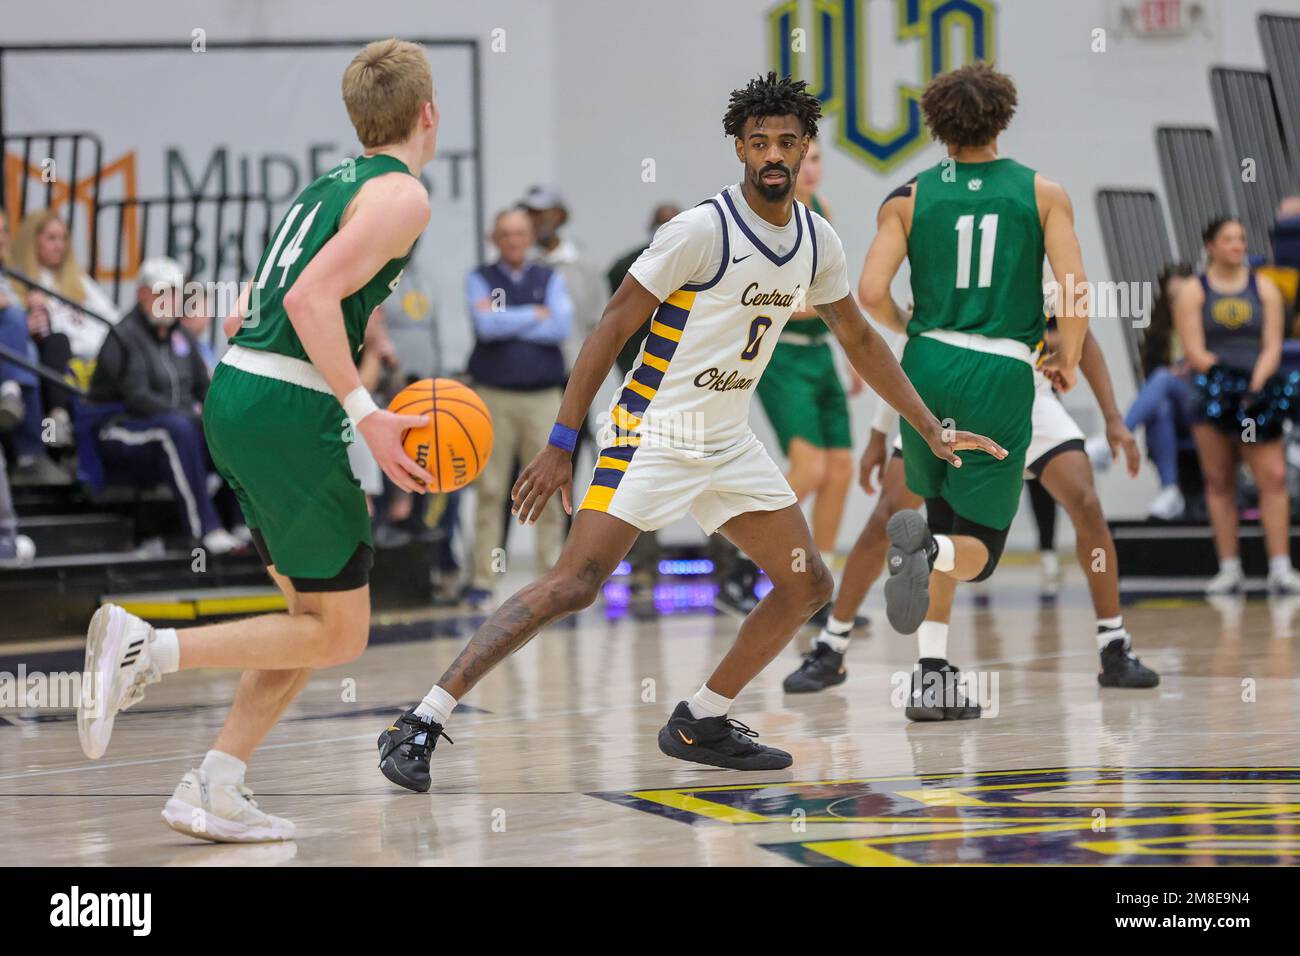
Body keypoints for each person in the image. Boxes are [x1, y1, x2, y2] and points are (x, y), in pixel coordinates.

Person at [376, 72, 1003, 791]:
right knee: (575, 582)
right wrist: (560, 442)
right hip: (652, 431)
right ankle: (420, 719)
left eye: (788, 142)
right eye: (760, 141)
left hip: (727, 439)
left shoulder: (816, 239)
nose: (774, 153)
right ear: (739, 146)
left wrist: (926, 424)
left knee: (806, 585)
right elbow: (612, 327)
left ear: (805, 149)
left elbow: (860, 339)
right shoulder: (702, 229)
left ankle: (700, 719)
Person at [76, 38, 442, 842]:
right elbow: (310, 303)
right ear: (428, 113)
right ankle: (147, 649)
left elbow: (261, 303)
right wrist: (366, 412)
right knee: (342, 632)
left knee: (308, 617)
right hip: (284, 405)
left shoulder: (330, 184)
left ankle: (216, 782)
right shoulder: (403, 195)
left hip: (244, 390)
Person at [853, 62, 1089, 718]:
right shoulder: (1043, 192)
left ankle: (931, 676)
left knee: (937, 515)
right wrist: (1065, 354)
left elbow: (870, 292)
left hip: (926, 365)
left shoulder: (907, 197)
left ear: (935, 124)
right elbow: (1073, 289)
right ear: (1003, 116)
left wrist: (913, 331)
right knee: (976, 551)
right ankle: (930, 557)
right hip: (1000, 368)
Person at [784, 318, 1161, 699]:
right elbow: (908, 335)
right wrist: (879, 433)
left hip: (1027, 395)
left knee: (1086, 503)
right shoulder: (943, 267)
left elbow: (1083, 331)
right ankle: (834, 647)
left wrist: (1113, 416)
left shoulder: (1049, 264)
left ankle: (1113, 645)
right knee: (892, 515)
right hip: (952, 394)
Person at [1173, 216, 1300, 595]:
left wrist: (1256, 384)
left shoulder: (1265, 288)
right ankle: (1230, 568)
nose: (1237, 245)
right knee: (1219, 480)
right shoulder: (1193, 291)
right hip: (1212, 395)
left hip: (1258, 395)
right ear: (1210, 245)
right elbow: (1194, 350)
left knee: (1273, 477)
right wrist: (1229, 382)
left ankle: (1280, 566)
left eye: (1241, 238)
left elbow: (1273, 345)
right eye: (1228, 239)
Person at [88, 257, 244, 554]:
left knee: (230, 428)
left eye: (175, 294)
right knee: (177, 429)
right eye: (163, 293)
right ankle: (205, 530)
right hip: (118, 428)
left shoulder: (182, 336)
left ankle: (240, 522)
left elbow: (205, 390)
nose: (170, 301)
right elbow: (137, 398)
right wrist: (191, 417)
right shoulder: (123, 336)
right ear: (143, 295)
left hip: (175, 425)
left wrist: (221, 416)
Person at [463, 208, 573, 610]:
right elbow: (485, 327)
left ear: (530, 237)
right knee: (490, 489)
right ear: (496, 237)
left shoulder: (550, 278)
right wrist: (533, 315)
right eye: (505, 233)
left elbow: (560, 328)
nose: (513, 240)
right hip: (493, 396)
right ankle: (482, 580)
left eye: (520, 233)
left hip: (544, 397)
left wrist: (507, 318)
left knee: (548, 486)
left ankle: (552, 576)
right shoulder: (480, 278)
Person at [1087, 264, 1196, 520]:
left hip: (1204, 402)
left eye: (1184, 297)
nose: (1178, 304)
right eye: (1172, 299)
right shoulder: (1160, 334)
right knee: (1160, 406)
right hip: (1174, 409)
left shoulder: (1207, 326)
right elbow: (1150, 377)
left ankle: (1111, 440)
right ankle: (1170, 491)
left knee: (1162, 378)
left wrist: (1190, 367)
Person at [9, 208, 118, 447]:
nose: (60, 246)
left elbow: (113, 319)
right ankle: (56, 423)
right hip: (60, 359)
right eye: (51, 238)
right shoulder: (19, 282)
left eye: (63, 238)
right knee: (58, 342)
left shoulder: (79, 281)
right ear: (32, 241)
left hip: (97, 358)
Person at [0, 208, 69, 485]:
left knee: (46, 344)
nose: (1, 237)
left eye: (4, 231)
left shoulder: (8, 275)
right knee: (23, 345)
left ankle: (13, 392)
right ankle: (32, 453)